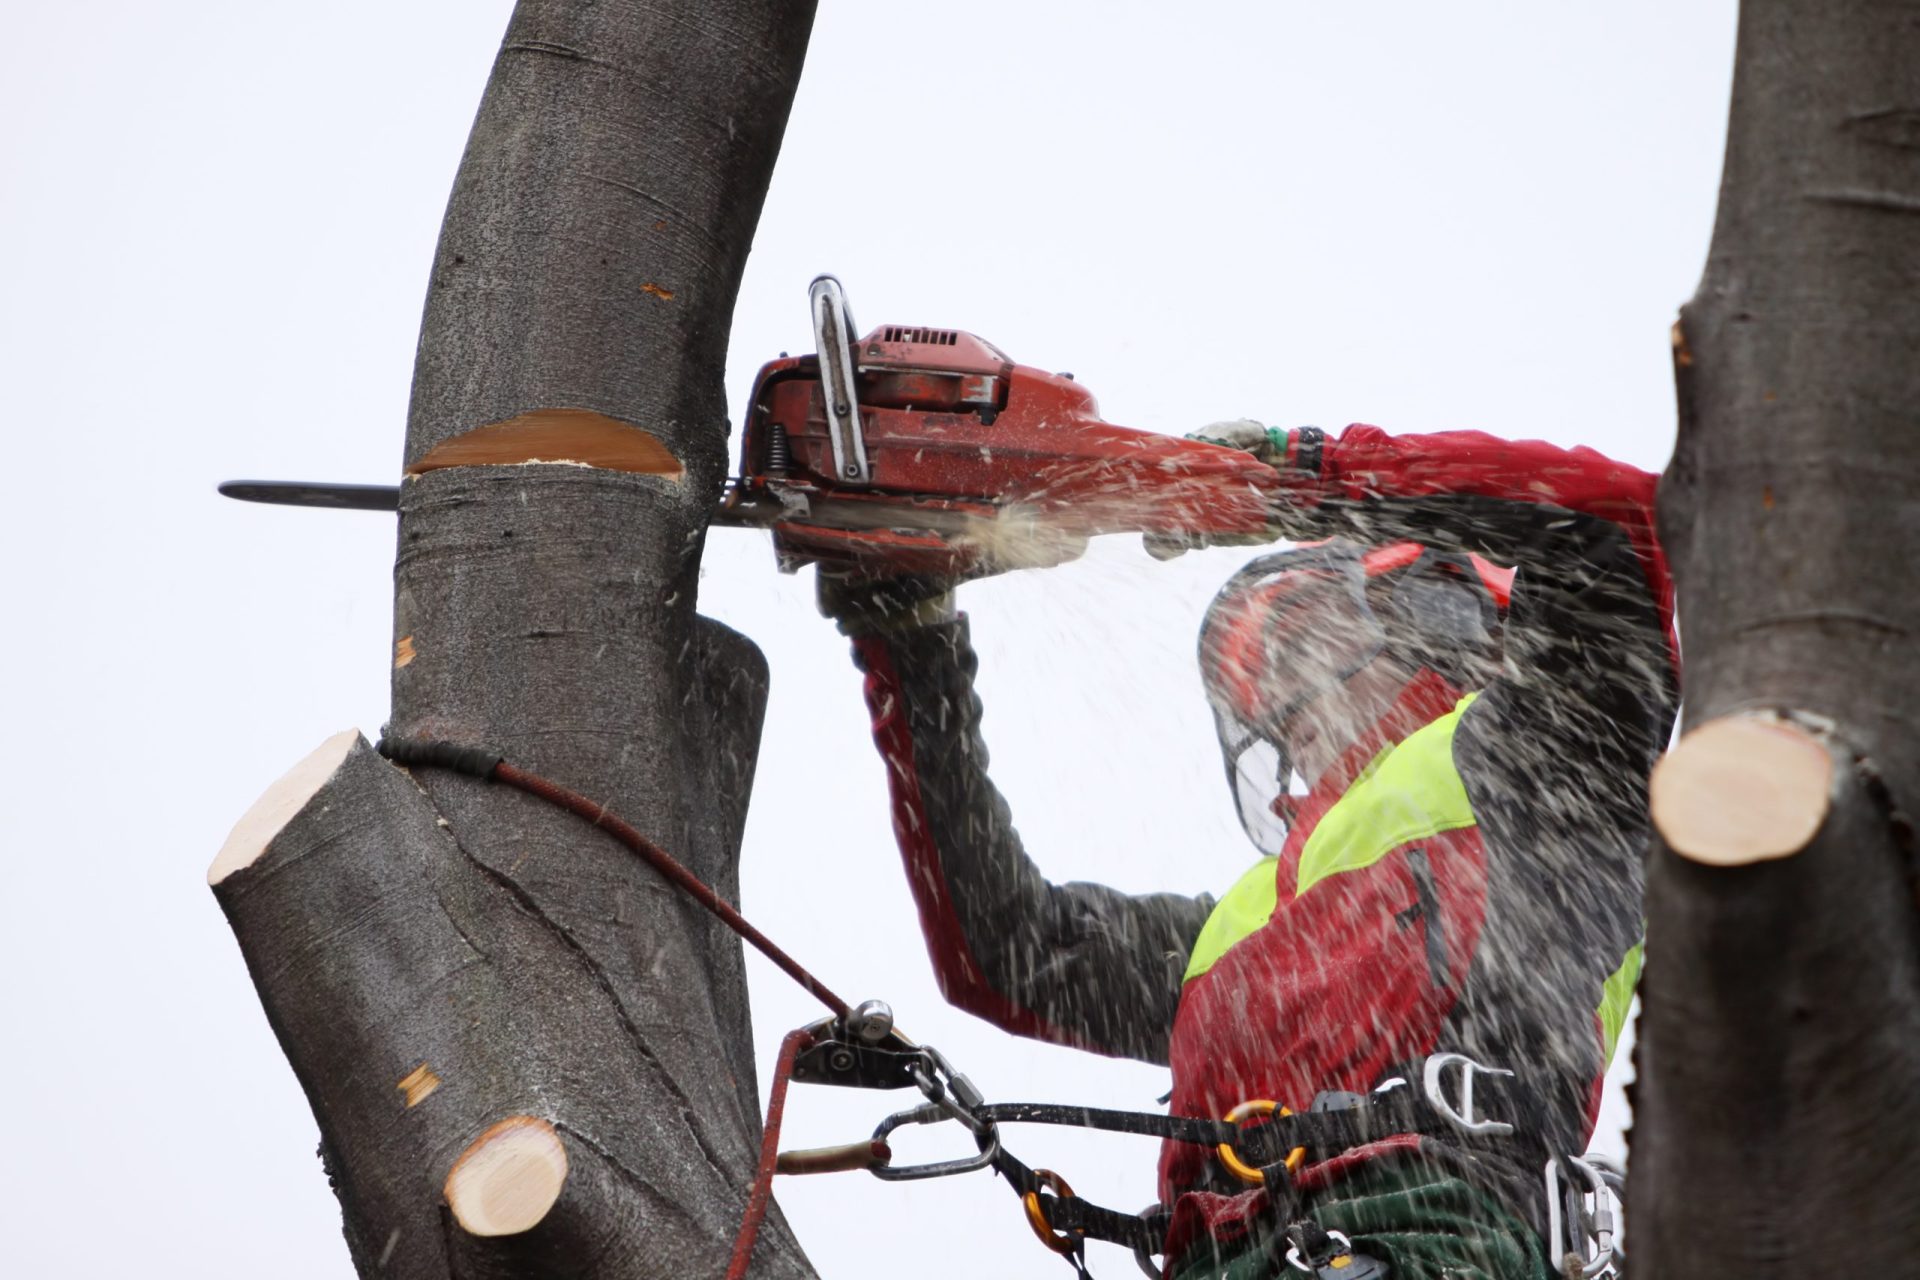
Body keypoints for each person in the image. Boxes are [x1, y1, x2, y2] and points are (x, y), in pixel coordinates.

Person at [820, 420, 1678, 1279]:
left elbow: (1615, 523)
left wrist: (1300, 478)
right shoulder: (1241, 918)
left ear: (1439, 615)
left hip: (1433, 1231)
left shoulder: (1553, 760)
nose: (1277, 705)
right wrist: (913, 635)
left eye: (1299, 649)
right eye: (1260, 691)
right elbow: (1006, 952)